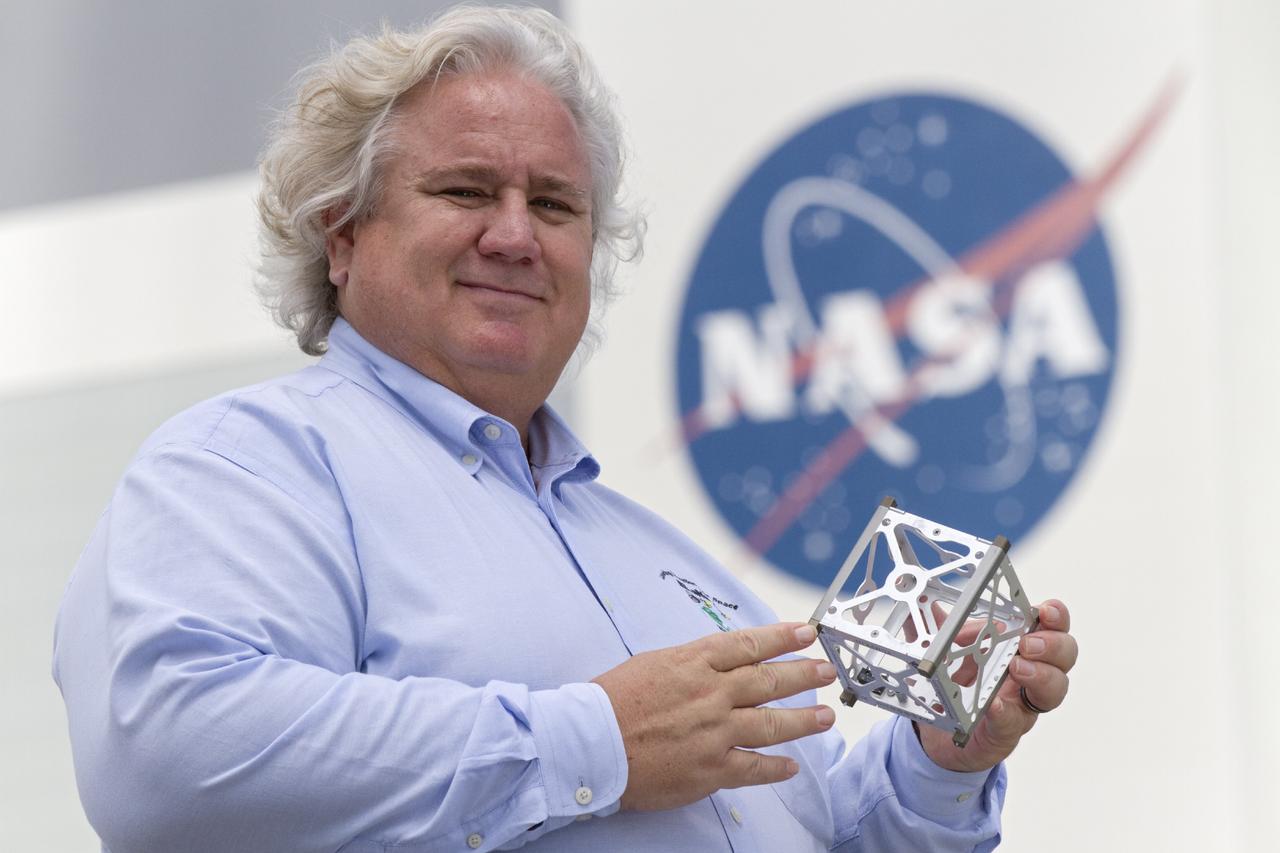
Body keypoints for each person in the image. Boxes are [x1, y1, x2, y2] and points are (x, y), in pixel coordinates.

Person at [52, 6, 1077, 852]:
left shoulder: (653, 553)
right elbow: (170, 758)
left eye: (553, 204)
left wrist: (945, 760)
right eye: (463, 190)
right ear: (341, 235)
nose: (513, 235)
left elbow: (818, 829)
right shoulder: (251, 465)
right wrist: (595, 745)